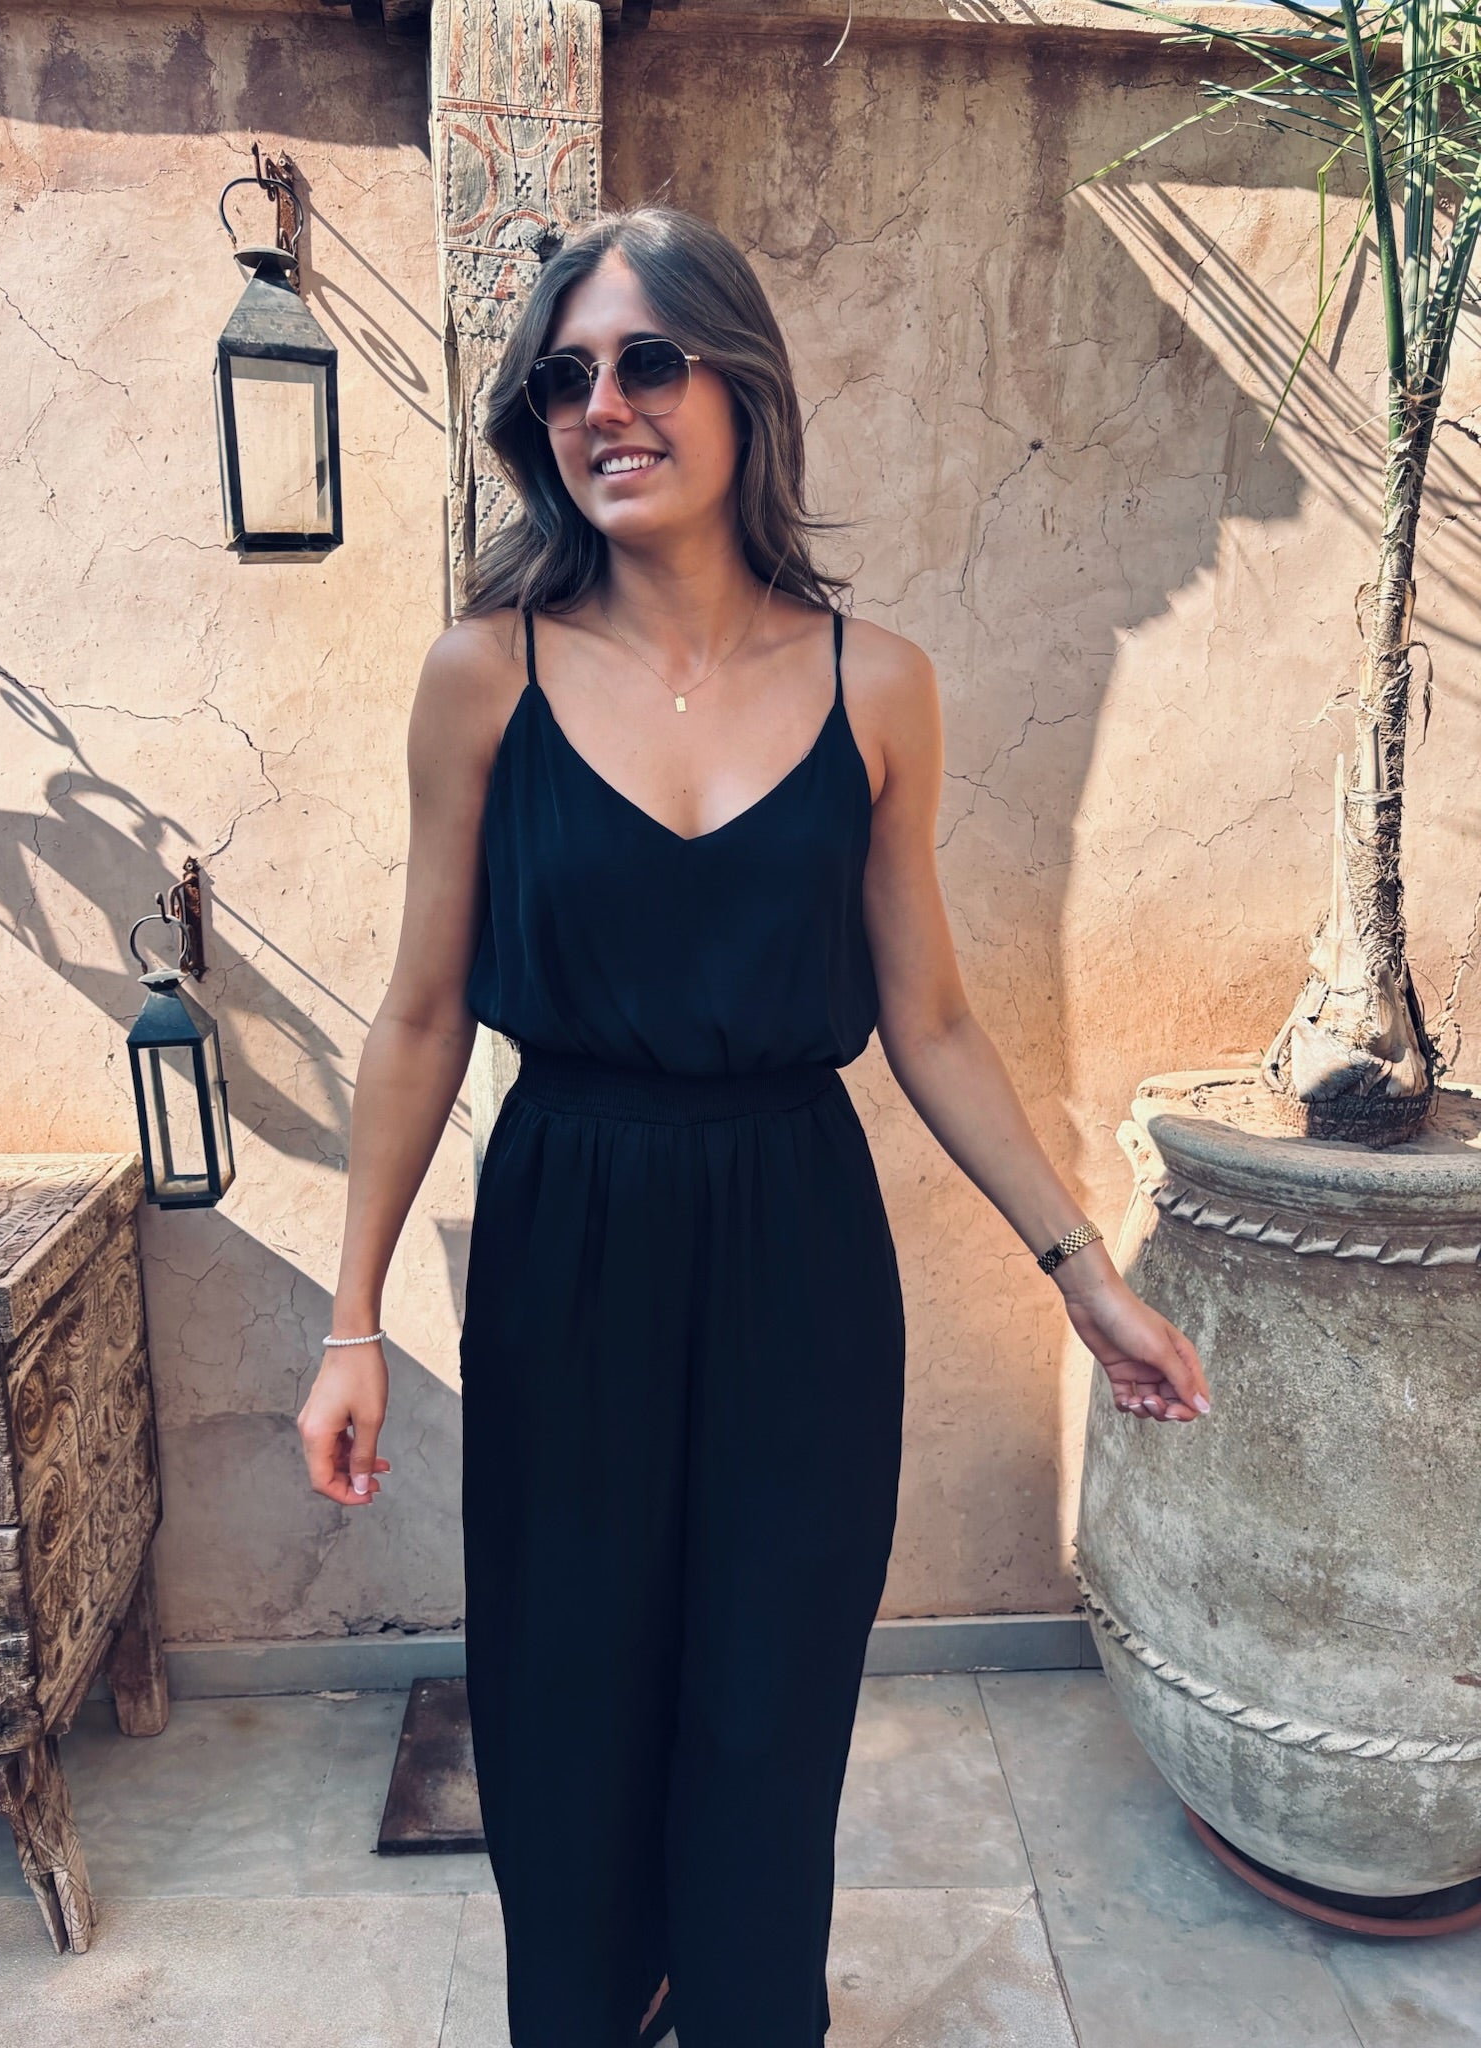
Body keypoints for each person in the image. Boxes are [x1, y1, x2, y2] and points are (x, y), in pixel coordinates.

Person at [296, 203, 1210, 2048]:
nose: (602, 407)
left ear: (742, 389)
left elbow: (928, 1018)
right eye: (563, 381)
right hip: (568, 1231)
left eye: (647, 361)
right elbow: (418, 1015)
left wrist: (1082, 1273)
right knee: (566, 1691)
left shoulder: (880, 685)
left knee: (766, 1702)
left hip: (800, 1242)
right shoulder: (484, 676)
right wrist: (352, 1320)